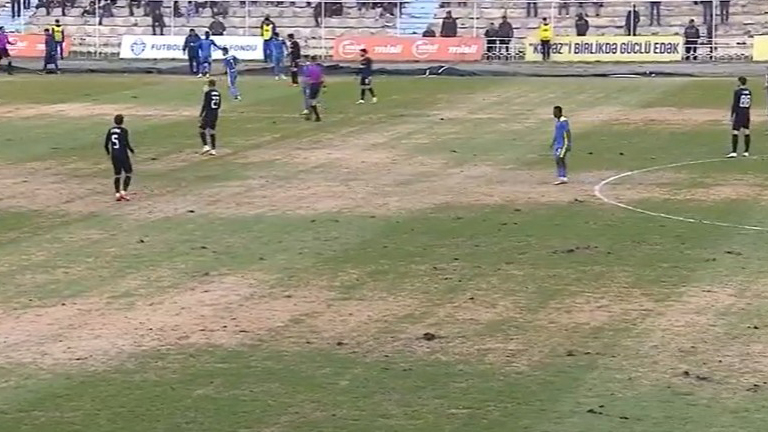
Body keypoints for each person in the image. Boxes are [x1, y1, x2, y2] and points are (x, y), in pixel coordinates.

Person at [104, 114, 135, 201]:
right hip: (123, 154)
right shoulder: (124, 131)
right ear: (122, 121)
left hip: (114, 155)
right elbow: (126, 143)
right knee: (128, 172)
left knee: (117, 174)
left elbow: (106, 144)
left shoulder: (110, 131)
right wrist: (131, 150)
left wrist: (109, 153)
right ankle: (124, 191)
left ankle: (117, 193)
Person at [727, 76, 751, 158]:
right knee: (746, 131)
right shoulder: (749, 91)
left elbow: (735, 104)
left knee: (735, 131)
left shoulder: (737, 92)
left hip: (739, 113)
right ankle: (746, 151)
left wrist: (732, 115)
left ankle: (734, 152)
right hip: (746, 113)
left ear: (740, 82)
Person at [199, 79, 222, 156]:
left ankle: (205, 146)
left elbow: (205, 104)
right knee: (212, 131)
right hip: (215, 113)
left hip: (208, 113)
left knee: (201, 129)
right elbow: (219, 105)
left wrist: (201, 114)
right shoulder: (218, 93)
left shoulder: (208, 93)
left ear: (209, 84)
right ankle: (213, 150)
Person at [551, 105, 571, 185]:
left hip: (563, 144)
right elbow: (557, 133)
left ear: (559, 112)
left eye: (555, 112)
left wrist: (568, 143)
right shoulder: (558, 122)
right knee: (558, 159)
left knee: (560, 158)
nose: (554, 114)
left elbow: (567, 132)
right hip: (558, 144)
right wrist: (553, 142)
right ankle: (562, 176)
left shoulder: (564, 121)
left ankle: (563, 177)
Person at [304, 55, 324, 122]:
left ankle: (317, 116)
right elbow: (322, 78)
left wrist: (307, 85)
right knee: (313, 100)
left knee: (311, 101)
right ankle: (309, 116)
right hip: (318, 85)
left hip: (313, 85)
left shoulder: (310, 68)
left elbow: (307, 77)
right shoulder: (319, 68)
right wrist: (323, 86)